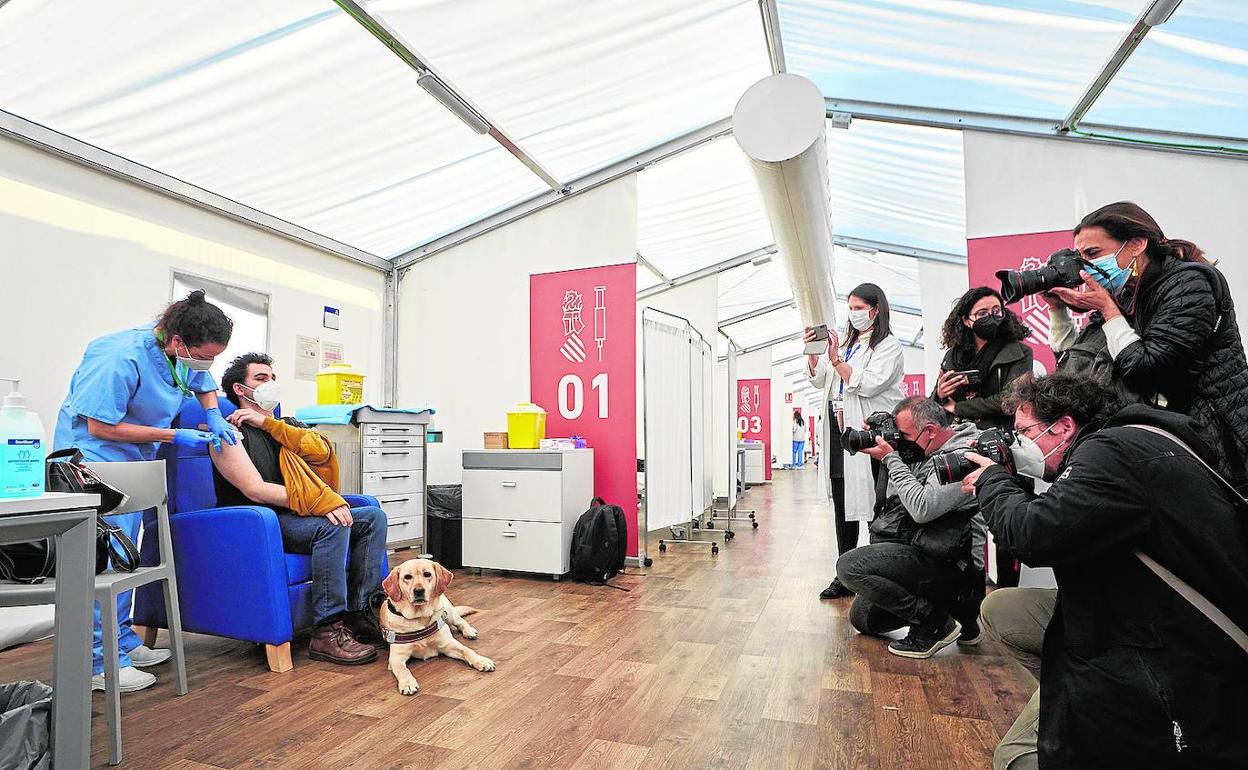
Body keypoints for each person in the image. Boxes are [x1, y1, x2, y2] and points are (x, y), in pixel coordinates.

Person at [961, 372, 1248, 769]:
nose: (1019, 445)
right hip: (1142, 612)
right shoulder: (1139, 440)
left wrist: (992, 481)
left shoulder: (1110, 453)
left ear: (1064, 426)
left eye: (1024, 432)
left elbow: (1035, 535)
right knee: (1004, 610)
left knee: (1018, 756)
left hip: (1182, 651)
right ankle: (1077, 700)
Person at [54, 290, 235, 693]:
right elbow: (99, 426)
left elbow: (202, 381)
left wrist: (211, 414)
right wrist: (175, 434)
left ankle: (124, 641)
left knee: (128, 557)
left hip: (134, 462)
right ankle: (99, 663)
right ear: (176, 340)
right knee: (105, 562)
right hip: (94, 461)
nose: (207, 364)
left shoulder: (181, 354)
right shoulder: (119, 356)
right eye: (202, 354)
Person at [1046, 200, 1248, 489]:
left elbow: (1145, 368)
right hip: (1174, 439)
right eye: (1080, 257)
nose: (1085, 267)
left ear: (1137, 244)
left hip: (1222, 439)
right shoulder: (1127, 293)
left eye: (1093, 253)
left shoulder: (1189, 283)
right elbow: (1079, 365)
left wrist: (1108, 310)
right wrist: (1057, 310)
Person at [210, 352, 387, 665]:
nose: (270, 385)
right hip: (258, 523)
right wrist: (319, 503)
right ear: (239, 389)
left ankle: (359, 613)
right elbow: (255, 489)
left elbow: (321, 452)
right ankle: (327, 631)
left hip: (296, 514)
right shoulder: (227, 435)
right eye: (261, 379)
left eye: (272, 378)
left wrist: (269, 424)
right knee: (333, 524)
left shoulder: (285, 426)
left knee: (372, 517)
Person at [836, 397, 987, 658]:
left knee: (849, 567)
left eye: (904, 435)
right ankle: (957, 617)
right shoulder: (922, 450)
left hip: (956, 566)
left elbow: (922, 508)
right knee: (864, 618)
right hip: (926, 550)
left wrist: (893, 460)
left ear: (930, 430)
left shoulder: (964, 455)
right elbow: (898, 502)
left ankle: (936, 622)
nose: (902, 441)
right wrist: (888, 458)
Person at [804, 283, 905, 600]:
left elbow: (868, 383)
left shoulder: (888, 346)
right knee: (843, 504)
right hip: (838, 430)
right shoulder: (846, 343)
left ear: (876, 310)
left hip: (869, 433)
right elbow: (821, 378)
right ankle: (844, 573)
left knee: (877, 506)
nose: (853, 314)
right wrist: (814, 353)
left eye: (859, 308)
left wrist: (835, 360)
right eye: (850, 307)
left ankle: (877, 575)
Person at [934, 287, 1032, 430]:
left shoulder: (1020, 353)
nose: (991, 317)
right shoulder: (953, 355)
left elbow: (1010, 400)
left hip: (1001, 433)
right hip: (956, 433)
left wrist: (958, 408)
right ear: (966, 320)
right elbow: (934, 402)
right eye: (982, 313)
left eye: (996, 311)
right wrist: (940, 395)